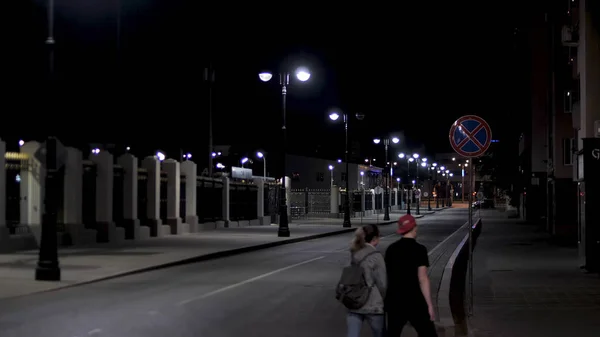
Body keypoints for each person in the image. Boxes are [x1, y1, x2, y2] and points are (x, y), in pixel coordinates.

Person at [385, 214, 438, 337]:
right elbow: (423, 279)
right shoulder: (419, 250)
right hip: (415, 300)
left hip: (395, 300)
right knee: (428, 333)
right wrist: (429, 305)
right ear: (414, 227)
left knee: (393, 333)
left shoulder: (391, 249)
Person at [346, 224, 387, 337]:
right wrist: (384, 300)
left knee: (352, 334)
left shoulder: (354, 253)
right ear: (374, 239)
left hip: (354, 303)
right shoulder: (376, 256)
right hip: (373, 305)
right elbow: (382, 284)